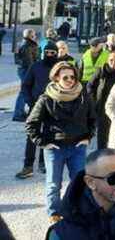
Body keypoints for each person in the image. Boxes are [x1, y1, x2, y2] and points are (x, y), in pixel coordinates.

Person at [26, 61, 96, 221]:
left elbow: (93, 119)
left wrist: (87, 137)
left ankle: (78, 210)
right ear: (56, 78)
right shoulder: (46, 98)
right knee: (53, 184)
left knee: (79, 182)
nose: (70, 80)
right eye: (66, 77)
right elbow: (31, 123)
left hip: (78, 147)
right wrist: (43, 142)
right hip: (54, 148)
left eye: (73, 77)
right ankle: (54, 213)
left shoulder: (84, 96)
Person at [15, 42, 58, 179]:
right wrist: (29, 101)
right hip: (36, 105)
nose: (49, 55)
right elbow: (26, 85)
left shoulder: (59, 68)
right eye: (47, 52)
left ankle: (43, 163)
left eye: (52, 53)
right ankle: (28, 166)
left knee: (48, 134)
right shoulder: (35, 66)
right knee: (31, 135)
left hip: (53, 107)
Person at [87, 51, 115, 150]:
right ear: (107, 60)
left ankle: (113, 154)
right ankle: (101, 153)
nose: (113, 63)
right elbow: (90, 86)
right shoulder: (101, 71)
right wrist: (94, 100)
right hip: (102, 105)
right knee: (102, 132)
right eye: (111, 60)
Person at [12, 28, 39, 121]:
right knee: (24, 92)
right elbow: (29, 62)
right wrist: (34, 73)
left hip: (23, 70)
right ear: (31, 36)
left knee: (24, 91)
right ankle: (18, 114)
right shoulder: (27, 46)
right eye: (34, 35)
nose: (35, 36)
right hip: (26, 70)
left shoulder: (26, 44)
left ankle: (20, 112)